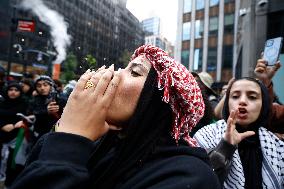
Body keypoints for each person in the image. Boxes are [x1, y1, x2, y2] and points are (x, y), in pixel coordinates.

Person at [10, 45, 221, 189]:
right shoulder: (98, 142)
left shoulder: (189, 176)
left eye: (135, 72)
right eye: (123, 67)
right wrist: (66, 127)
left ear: (160, 105)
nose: (114, 74)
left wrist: (70, 138)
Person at [194, 77, 284, 188]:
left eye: (252, 97)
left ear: (263, 105)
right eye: (235, 96)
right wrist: (225, 147)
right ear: (227, 102)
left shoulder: (276, 145)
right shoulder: (206, 135)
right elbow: (199, 181)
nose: (242, 101)